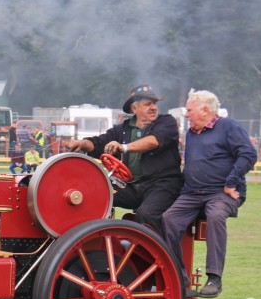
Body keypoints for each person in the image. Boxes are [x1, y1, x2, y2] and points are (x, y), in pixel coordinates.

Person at [162, 89, 257, 298]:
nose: (186, 114)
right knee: (169, 219)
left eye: (189, 110)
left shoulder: (228, 126)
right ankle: (180, 276)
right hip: (192, 193)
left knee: (215, 215)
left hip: (222, 192)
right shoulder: (190, 133)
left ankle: (214, 278)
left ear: (205, 110)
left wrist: (231, 182)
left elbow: (248, 154)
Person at [67, 85, 183, 234]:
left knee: (146, 214)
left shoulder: (166, 122)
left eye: (155, 103)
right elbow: (98, 143)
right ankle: (94, 236)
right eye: (148, 104)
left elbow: (153, 141)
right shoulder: (123, 129)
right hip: (133, 187)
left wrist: (124, 147)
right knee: (94, 192)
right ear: (134, 109)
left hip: (163, 184)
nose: (153, 107)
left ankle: (161, 254)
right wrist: (81, 143)